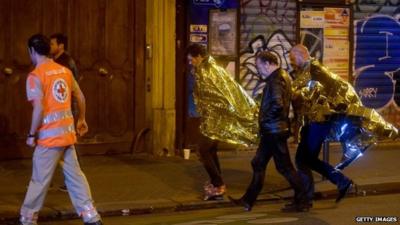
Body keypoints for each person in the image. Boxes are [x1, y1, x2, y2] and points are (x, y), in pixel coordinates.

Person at [20, 34, 103, 225]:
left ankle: (27, 219)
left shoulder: (35, 76)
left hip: (49, 140)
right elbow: (81, 97)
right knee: (75, 178)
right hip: (67, 137)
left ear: (32, 51)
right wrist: (81, 119)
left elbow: (39, 108)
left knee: (39, 181)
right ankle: (92, 217)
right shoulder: (64, 71)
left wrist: (32, 134)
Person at [229, 51, 309, 212]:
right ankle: (247, 200)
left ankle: (304, 200)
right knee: (258, 163)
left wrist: (265, 119)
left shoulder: (275, 80)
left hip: (273, 130)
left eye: (259, 66)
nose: (258, 70)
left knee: (285, 168)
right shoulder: (283, 76)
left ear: (267, 64)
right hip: (273, 130)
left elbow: (278, 104)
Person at [186, 43, 258, 201]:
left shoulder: (208, 71)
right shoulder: (210, 69)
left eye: (192, 59)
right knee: (210, 150)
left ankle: (218, 184)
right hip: (213, 119)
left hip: (215, 121)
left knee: (203, 150)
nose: (191, 62)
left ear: (199, 57)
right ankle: (216, 182)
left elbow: (220, 97)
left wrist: (219, 114)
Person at [289, 44, 356, 206]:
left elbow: (337, 87)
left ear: (300, 55)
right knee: (308, 159)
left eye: (292, 58)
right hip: (313, 122)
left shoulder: (315, 68)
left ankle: (306, 198)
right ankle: (341, 182)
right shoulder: (306, 70)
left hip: (318, 122)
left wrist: (333, 110)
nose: (291, 62)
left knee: (302, 159)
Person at [50, 33, 80, 192]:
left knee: (67, 146)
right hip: (58, 110)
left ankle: (70, 182)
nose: (50, 47)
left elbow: (72, 88)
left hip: (66, 110)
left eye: (53, 44)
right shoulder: (54, 61)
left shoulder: (67, 62)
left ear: (61, 46)